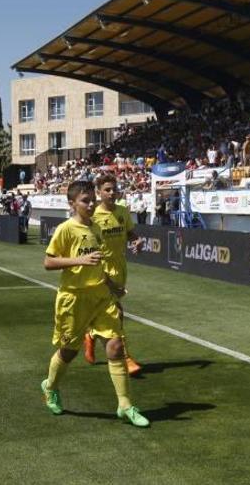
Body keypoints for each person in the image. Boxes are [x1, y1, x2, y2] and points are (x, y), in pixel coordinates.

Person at [40, 180, 149, 427]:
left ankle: (125, 405)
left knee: (115, 346)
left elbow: (98, 262)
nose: (90, 205)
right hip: (73, 298)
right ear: (72, 204)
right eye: (84, 201)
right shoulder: (66, 229)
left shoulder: (97, 228)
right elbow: (48, 262)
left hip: (101, 296)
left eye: (91, 200)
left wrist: (111, 285)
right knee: (69, 351)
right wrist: (80, 259)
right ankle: (51, 386)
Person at [83, 174, 145, 377]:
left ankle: (91, 334)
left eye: (114, 189)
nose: (112, 193)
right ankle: (125, 358)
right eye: (107, 189)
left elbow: (129, 233)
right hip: (101, 268)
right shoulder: (94, 217)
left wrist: (136, 241)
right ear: (99, 193)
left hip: (120, 267)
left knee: (111, 312)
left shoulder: (122, 211)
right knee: (116, 313)